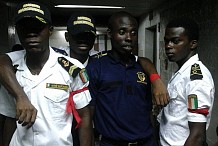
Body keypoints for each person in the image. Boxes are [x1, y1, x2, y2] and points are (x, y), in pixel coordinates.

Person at [2, 1, 93, 146]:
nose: (31, 33)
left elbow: (85, 116)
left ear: (50, 30)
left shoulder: (72, 68)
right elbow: (9, 117)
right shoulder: (11, 71)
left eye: (37, 27)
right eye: (24, 28)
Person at [87, 11, 156, 146]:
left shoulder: (142, 67)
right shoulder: (97, 66)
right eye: (122, 32)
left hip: (146, 142)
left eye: (133, 32)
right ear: (110, 33)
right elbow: (88, 116)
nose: (129, 37)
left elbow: (147, 110)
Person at [158, 17, 215, 146]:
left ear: (192, 44)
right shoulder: (182, 73)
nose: (168, 46)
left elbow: (197, 136)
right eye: (166, 41)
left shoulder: (196, 79)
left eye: (175, 41)